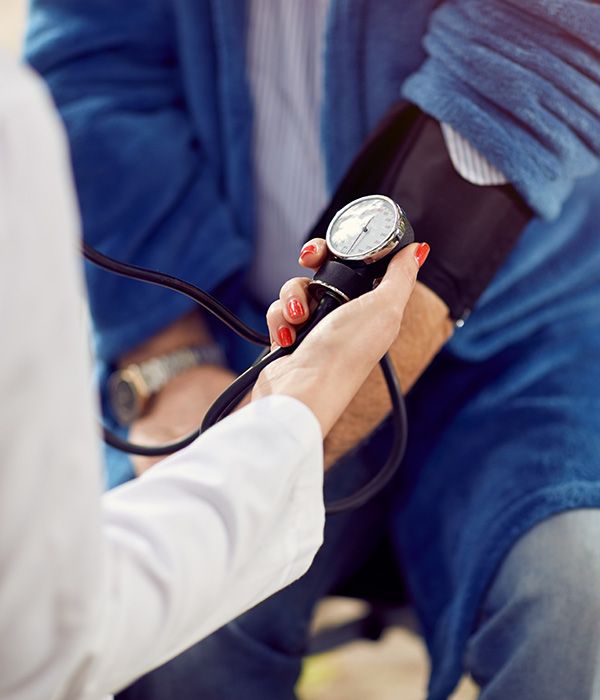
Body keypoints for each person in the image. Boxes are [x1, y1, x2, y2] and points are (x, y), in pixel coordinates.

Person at [25, 2, 600, 699]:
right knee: (187, 630)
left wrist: (274, 443)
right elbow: (94, 62)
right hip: (222, 325)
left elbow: (541, 49)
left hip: (536, 336)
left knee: (576, 596)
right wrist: (165, 355)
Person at [0, 56, 425, 700]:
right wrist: (289, 407)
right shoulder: (15, 124)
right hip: (248, 388)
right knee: (201, 650)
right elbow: (45, 642)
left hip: (516, 350)